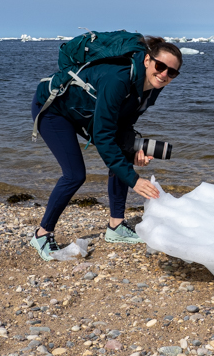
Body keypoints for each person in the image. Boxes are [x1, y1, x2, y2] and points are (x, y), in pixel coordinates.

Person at [29, 36, 182, 261]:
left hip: (84, 111)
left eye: (172, 72)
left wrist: (131, 151)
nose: (164, 74)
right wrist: (134, 180)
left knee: (124, 152)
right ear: (147, 60)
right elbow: (103, 137)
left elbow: (124, 122)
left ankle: (116, 226)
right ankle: (42, 234)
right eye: (160, 66)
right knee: (74, 175)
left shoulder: (154, 86)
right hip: (54, 108)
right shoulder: (117, 79)